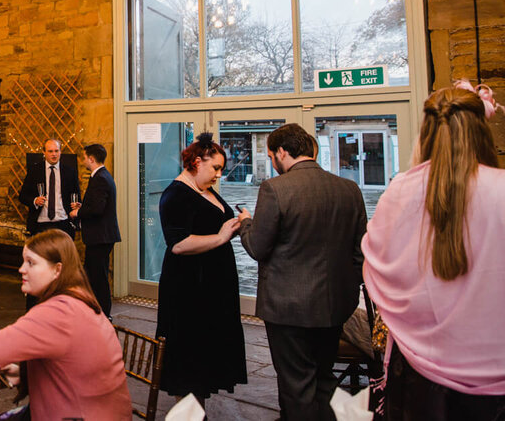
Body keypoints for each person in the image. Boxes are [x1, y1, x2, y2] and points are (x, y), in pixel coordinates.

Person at [363, 81, 505, 419]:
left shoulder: (399, 192)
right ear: (482, 131)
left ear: (425, 132)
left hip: (417, 377)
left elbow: (378, 271)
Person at [238, 122, 367, 421]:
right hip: (336, 305)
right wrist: (347, 289)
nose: (273, 162)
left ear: (282, 152)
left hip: (288, 308)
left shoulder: (275, 188)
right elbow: (361, 251)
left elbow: (258, 247)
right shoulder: (349, 189)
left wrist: (246, 223)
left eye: (272, 156)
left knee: (296, 385)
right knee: (324, 378)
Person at [0, 229, 132, 420]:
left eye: (31, 263)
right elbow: (73, 364)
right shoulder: (81, 298)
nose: (21, 269)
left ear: (57, 269)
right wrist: (26, 374)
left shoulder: (58, 313)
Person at [155, 132, 246, 405]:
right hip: (189, 289)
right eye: (215, 167)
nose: (219, 174)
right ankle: (189, 411)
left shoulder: (204, 190)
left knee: (205, 354)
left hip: (210, 287)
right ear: (196, 162)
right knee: (189, 355)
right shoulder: (175, 195)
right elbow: (179, 244)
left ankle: (197, 407)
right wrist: (220, 237)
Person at [69, 143, 120, 318]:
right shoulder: (102, 176)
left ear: (91, 159)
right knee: (92, 275)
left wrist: (78, 212)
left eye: (84, 157)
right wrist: (83, 206)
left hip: (100, 236)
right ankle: (93, 311)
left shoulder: (100, 178)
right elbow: (98, 205)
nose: (83, 161)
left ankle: (104, 314)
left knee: (99, 278)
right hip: (100, 236)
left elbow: (98, 209)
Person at [17, 139, 81, 239]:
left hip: (63, 223)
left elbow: (76, 196)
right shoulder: (35, 170)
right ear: (44, 152)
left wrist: (77, 205)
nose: (54, 154)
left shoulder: (70, 171)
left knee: (63, 254)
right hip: (40, 224)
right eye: (50, 151)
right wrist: (35, 200)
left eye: (56, 151)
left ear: (60, 152)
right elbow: (22, 196)